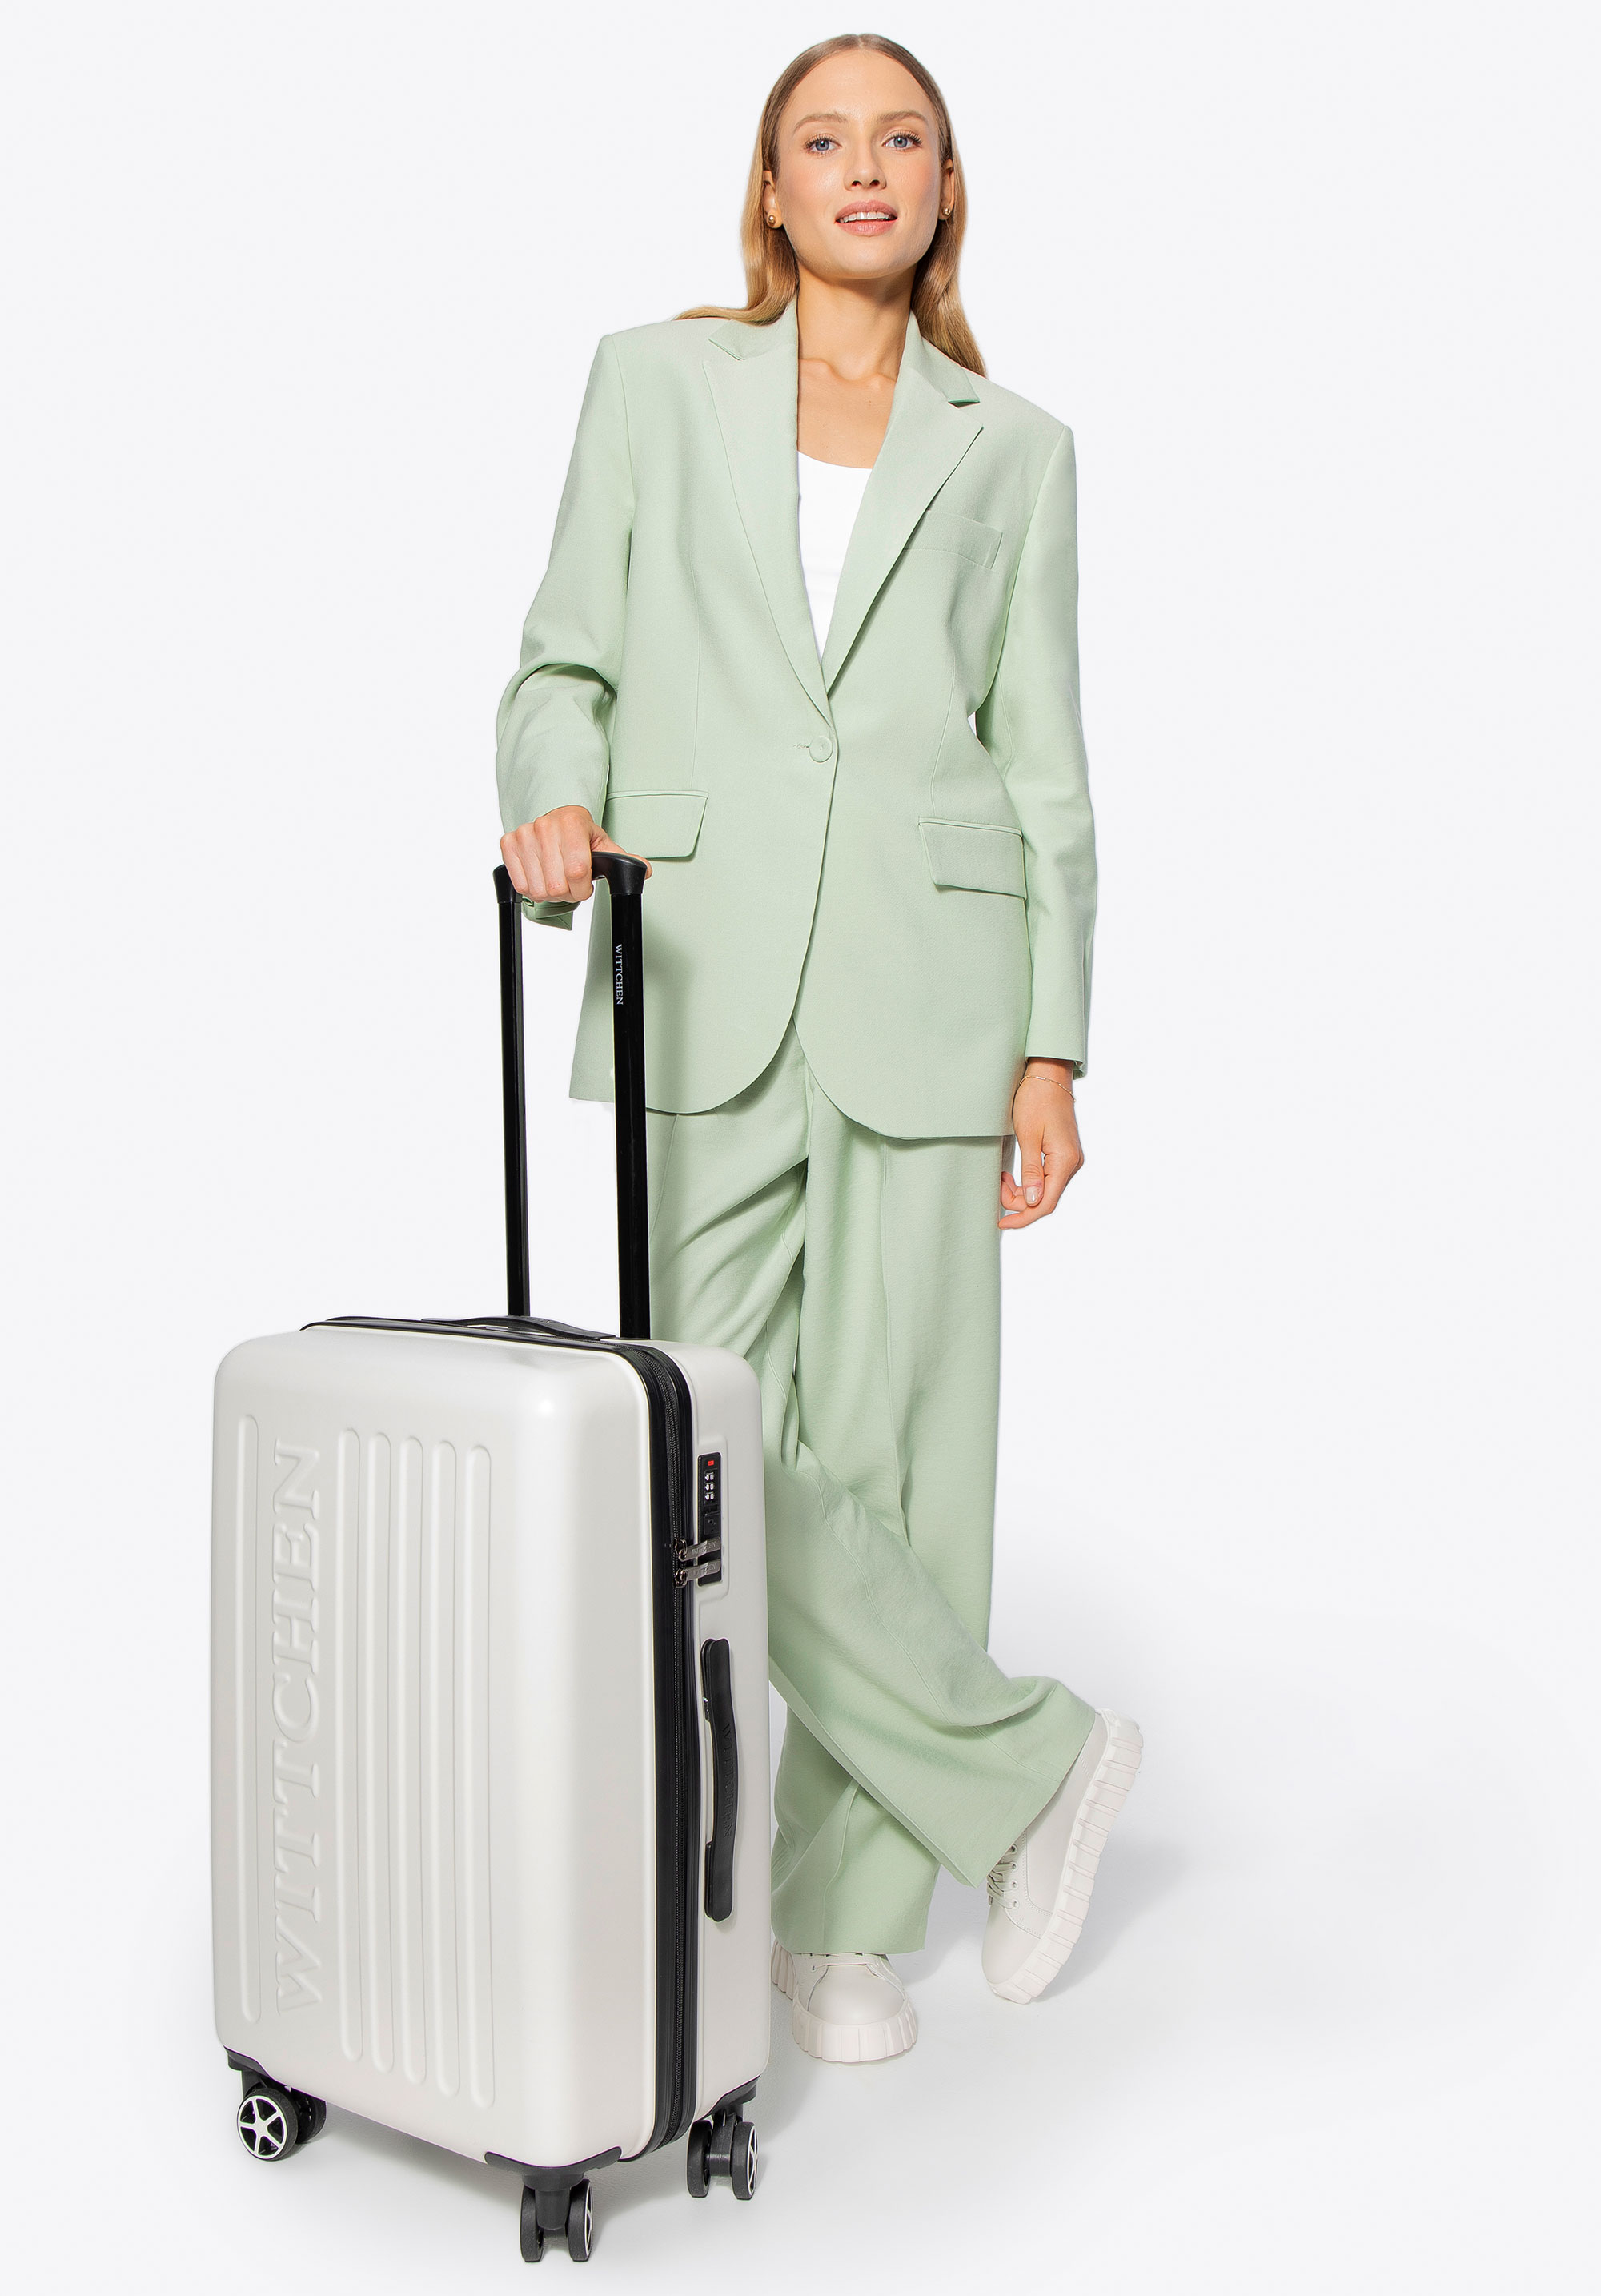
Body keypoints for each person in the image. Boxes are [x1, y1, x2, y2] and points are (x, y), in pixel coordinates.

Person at [496, 31, 1141, 2065]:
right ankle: (1027, 1767)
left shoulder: (1015, 449)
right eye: (823, 139)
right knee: (695, 1428)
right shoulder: (650, 384)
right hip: (693, 955)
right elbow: (561, 658)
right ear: (770, 190)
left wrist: (1052, 1046)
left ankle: (842, 1932)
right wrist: (549, 797)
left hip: (938, 985)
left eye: (903, 138)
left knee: (898, 1455)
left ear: (945, 187)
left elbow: (1044, 767)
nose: (865, 167)